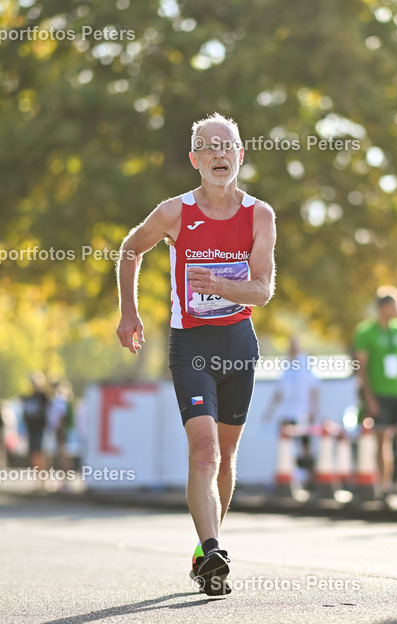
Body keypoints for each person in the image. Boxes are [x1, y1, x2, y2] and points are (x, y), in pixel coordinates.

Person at [116, 113, 276, 596]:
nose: (218, 154)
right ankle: (211, 550)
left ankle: (207, 551)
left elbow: (263, 290)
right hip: (192, 346)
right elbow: (129, 250)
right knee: (203, 449)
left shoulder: (260, 215)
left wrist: (223, 284)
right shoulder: (174, 213)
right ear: (195, 160)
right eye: (207, 147)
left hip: (239, 345)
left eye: (227, 146)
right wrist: (129, 313)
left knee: (226, 456)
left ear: (240, 155)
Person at [353, 286, 397, 501]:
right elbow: (361, 368)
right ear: (383, 307)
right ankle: (384, 487)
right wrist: (369, 398)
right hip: (379, 393)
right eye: (395, 305)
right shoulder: (366, 332)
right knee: (382, 439)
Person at [263, 337, 321, 479]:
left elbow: (314, 389)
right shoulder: (286, 367)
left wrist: (313, 410)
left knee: (304, 445)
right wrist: (269, 412)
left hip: (302, 412)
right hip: (287, 412)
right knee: (286, 446)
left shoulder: (305, 364)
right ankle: (289, 475)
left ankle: (308, 476)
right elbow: (279, 392)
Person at [21, 373, 50, 472]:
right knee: (33, 453)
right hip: (31, 429)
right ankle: (38, 475)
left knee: (40, 452)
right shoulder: (29, 398)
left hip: (40, 429)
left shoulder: (43, 397)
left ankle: (43, 475)